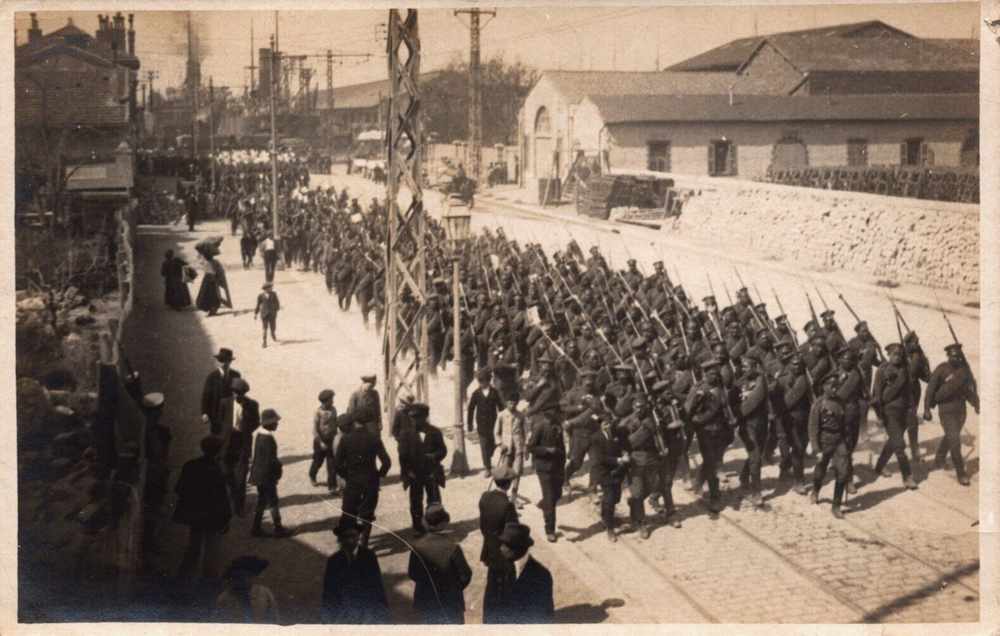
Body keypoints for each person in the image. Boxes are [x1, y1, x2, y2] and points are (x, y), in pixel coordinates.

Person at [175, 436, 232, 581]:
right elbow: (222, 497)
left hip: (196, 515)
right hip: (212, 517)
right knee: (211, 548)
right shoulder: (217, 471)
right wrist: (226, 518)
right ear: (218, 452)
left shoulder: (190, 465)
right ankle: (208, 580)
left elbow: (179, 489)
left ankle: (185, 576)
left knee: (193, 545)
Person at [407, 503, 473, 624]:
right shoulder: (453, 547)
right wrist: (453, 589)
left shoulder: (417, 547)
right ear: (443, 524)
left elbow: (412, 574)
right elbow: (466, 575)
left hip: (427, 602)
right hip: (451, 603)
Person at [924, 343, 979, 486]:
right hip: (946, 410)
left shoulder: (964, 371)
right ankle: (961, 474)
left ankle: (939, 459)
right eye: (953, 356)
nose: (956, 359)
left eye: (958, 356)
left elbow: (969, 391)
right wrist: (927, 409)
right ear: (948, 356)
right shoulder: (941, 370)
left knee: (951, 436)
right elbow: (930, 390)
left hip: (961, 411)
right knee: (955, 440)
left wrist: (975, 403)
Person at [334, 412, 392, 548]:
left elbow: (337, 465)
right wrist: (379, 475)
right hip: (370, 480)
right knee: (367, 514)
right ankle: (364, 544)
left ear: (354, 421)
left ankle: (346, 544)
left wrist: (347, 476)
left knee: (349, 512)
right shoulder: (374, 438)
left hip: (353, 480)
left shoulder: (346, 439)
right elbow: (387, 462)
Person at [321, 517, 390, 624]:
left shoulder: (369, 557)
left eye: (354, 536)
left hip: (367, 614)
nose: (351, 541)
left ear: (359, 536)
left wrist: (383, 618)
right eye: (346, 537)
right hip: (344, 616)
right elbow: (329, 594)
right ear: (340, 539)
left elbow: (377, 588)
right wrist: (327, 621)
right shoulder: (334, 561)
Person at [485, 523, 555, 624]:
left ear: (514, 550)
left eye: (504, 545)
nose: (500, 548)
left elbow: (546, 616)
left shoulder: (541, 576)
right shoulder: (495, 567)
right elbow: (489, 605)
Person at [871, 343, 918, 490]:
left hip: (903, 412)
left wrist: (912, 409)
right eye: (894, 354)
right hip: (889, 412)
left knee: (893, 441)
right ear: (888, 355)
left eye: (899, 355)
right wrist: (879, 416)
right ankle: (907, 476)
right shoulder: (881, 371)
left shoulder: (905, 370)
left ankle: (879, 466)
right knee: (899, 445)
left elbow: (910, 392)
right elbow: (876, 396)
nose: (897, 357)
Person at [398, 403, 447, 537]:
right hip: (415, 474)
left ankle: (435, 525)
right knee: (415, 501)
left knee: (434, 500)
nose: (412, 419)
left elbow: (443, 450)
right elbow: (402, 456)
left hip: (431, 472)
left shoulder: (435, 432)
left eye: (416, 417)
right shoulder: (406, 433)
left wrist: (434, 456)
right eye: (411, 417)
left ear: (425, 416)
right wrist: (407, 473)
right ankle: (418, 527)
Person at [480, 465, 520, 622]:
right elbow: (513, 534)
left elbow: (484, 525)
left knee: (491, 588)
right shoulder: (508, 506)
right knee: (506, 592)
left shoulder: (484, 497)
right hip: (504, 555)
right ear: (509, 483)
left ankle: (488, 620)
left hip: (489, 551)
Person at [809, 373, 850, 519]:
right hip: (824, 441)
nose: (835, 389)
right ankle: (815, 490)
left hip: (839, 441)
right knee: (821, 470)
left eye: (837, 386)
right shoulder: (818, 405)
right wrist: (816, 449)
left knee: (843, 472)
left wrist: (847, 442)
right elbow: (813, 430)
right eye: (832, 386)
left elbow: (845, 424)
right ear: (824, 387)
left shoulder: (840, 402)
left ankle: (836, 505)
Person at [249, 409, 292, 538]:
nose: (277, 424)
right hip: (267, 476)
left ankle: (256, 528)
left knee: (262, 501)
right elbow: (271, 461)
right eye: (275, 422)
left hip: (258, 475)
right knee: (273, 501)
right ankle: (278, 529)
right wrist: (277, 473)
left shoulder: (260, 435)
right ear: (269, 423)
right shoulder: (267, 439)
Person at [527, 404, 566, 543]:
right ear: (549, 415)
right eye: (557, 413)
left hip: (557, 467)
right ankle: (550, 530)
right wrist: (546, 450)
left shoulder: (558, 427)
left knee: (557, 494)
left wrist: (563, 463)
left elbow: (561, 446)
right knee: (550, 499)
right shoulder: (540, 427)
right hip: (544, 468)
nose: (559, 415)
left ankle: (544, 504)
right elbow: (530, 446)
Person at [221, 378, 260, 517]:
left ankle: (239, 506)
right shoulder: (225, 403)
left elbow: (256, 422)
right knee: (226, 472)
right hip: (228, 443)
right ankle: (233, 493)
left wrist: (244, 428)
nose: (237, 396)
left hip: (243, 442)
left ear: (244, 393)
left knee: (241, 476)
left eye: (240, 393)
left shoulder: (252, 405)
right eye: (235, 393)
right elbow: (219, 422)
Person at [590, 410, 629, 542]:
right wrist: (618, 460)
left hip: (617, 471)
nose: (608, 426)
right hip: (604, 472)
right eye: (605, 424)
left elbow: (622, 447)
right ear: (600, 424)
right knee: (611, 500)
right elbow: (601, 458)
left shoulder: (616, 434)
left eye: (610, 423)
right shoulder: (596, 438)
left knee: (616, 498)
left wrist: (624, 454)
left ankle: (605, 510)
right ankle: (610, 528)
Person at [214, 556, 280, 624]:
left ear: (254, 576)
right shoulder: (224, 598)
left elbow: (274, 623)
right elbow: (218, 625)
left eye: (249, 575)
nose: (246, 580)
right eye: (242, 576)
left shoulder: (265, 594)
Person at [467, 369, 503, 475]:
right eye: (480, 381)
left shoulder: (494, 393)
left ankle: (490, 453)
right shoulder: (476, 393)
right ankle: (487, 467)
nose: (481, 384)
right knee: (484, 446)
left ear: (488, 381)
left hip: (493, 424)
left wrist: (502, 422)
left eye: (483, 381)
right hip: (481, 424)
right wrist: (470, 423)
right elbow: (471, 409)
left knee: (492, 445)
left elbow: (500, 408)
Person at [494, 392, 527, 508]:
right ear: (506, 403)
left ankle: (514, 498)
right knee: (504, 473)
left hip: (518, 448)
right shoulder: (501, 415)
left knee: (517, 473)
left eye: (514, 403)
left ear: (517, 403)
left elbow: (525, 432)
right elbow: (496, 433)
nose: (512, 405)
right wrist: (500, 444)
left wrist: (526, 448)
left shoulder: (521, 415)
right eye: (510, 403)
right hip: (506, 449)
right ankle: (502, 497)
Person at [201, 348, 241, 435]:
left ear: (230, 362)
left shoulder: (235, 375)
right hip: (216, 413)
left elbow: (239, 393)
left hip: (231, 414)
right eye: (221, 361)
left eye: (225, 361)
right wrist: (205, 413)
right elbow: (206, 395)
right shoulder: (212, 377)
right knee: (217, 437)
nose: (223, 363)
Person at [310, 389, 339, 493]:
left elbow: (336, 423)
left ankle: (332, 486)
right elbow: (315, 430)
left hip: (331, 440)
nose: (333, 401)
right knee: (318, 461)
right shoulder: (318, 412)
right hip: (320, 441)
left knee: (332, 463)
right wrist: (320, 442)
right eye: (331, 400)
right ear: (324, 401)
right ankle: (312, 475)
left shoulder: (333, 409)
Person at [254, 282, 281, 348]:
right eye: (270, 287)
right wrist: (256, 313)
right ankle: (264, 342)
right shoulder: (261, 296)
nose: (271, 288)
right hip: (264, 314)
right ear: (266, 289)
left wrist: (276, 309)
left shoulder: (273, 294)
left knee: (273, 326)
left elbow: (277, 302)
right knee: (265, 328)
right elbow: (258, 305)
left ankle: (272, 333)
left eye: (271, 287)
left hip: (272, 314)